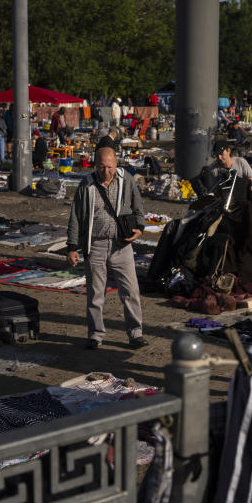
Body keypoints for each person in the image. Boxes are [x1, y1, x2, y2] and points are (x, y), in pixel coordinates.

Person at [66, 147, 147, 350]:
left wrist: (140, 227)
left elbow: (138, 206)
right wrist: (72, 246)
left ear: (116, 164)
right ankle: (95, 334)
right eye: (102, 166)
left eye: (110, 166)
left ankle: (136, 333)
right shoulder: (87, 185)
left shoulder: (126, 179)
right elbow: (75, 216)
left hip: (122, 245)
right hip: (96, 244)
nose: (106, 171)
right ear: (95, 165)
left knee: (130, 291)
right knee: (95, 293)